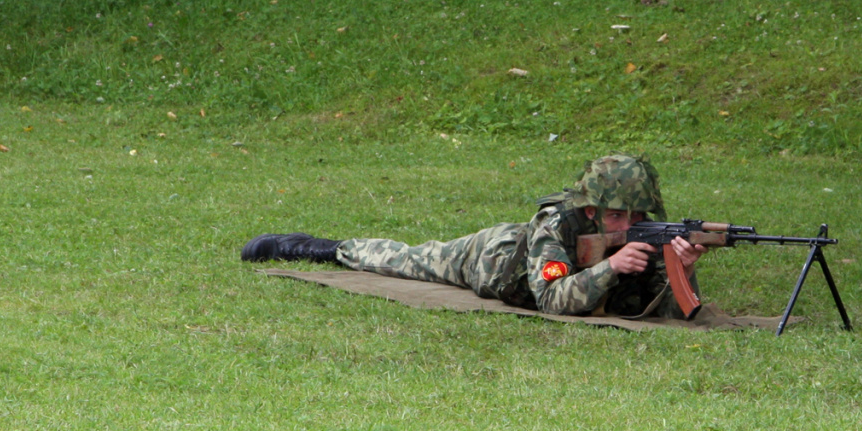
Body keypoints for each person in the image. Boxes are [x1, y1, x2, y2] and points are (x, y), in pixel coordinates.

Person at [241, 155, 707, 318]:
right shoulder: (555, 227)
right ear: (592, 209)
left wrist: (681, 271)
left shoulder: (634, 235)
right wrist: (611, 267)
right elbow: (550, 300)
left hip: (540, 268)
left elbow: (666, 311)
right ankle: (319, 247)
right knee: (409, 259)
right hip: (494, 260)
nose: (631, 227)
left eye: (638, 216)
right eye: (620, 217)